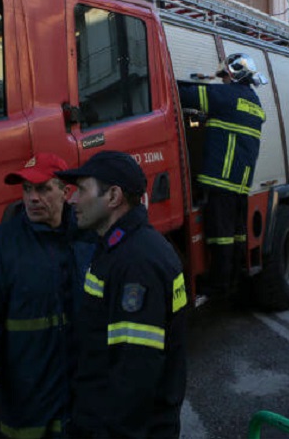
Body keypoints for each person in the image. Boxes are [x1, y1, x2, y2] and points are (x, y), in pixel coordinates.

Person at [0, 152, 96, 438]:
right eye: (27, 189)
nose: (33, 198)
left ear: (65, 192)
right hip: (28, 400)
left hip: (84, 400)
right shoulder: (3, 243)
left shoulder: (88, 237)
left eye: (43, 188)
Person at [56, 150, 187, 438]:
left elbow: (135, 374)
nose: (72, 199)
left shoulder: (136, 264)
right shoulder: (117, 248)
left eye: (81, 189)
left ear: (113, 197)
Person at [177, 52, 266, 296]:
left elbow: (185, 96)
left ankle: (219, 285)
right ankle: (235, 278)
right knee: (236, 234)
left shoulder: (226, 96)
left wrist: (179, 81)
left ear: (234, 75)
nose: (222, 79)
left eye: (224, 75)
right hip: (240, 184)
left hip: (220, 180)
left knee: (220, 236)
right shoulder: (254, 103)